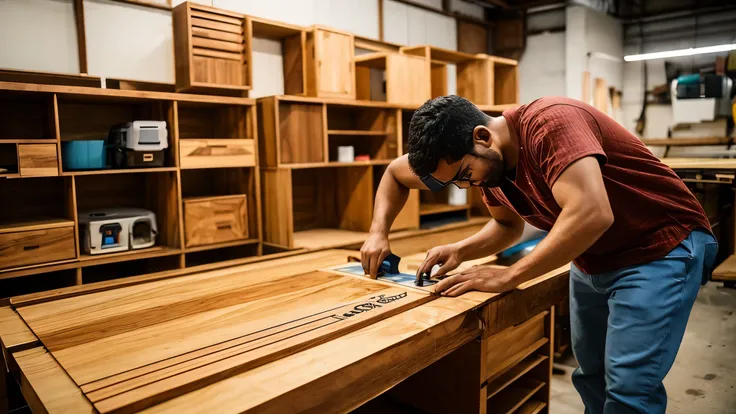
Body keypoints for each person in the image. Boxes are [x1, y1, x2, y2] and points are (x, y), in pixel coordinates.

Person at [360, 95, 718, 414]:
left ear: (482, 137)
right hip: (594, 254)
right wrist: (445, 246)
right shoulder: (489, 169)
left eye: (465, 175)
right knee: (591, 374)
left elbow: (592, 212)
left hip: (660, 246)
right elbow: (501, 225)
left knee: (629, 390)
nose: (466, 186)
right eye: (456, 182)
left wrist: (511, 274)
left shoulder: (550, 124)